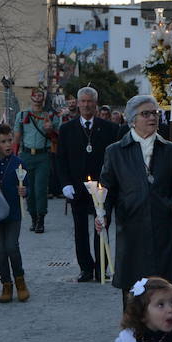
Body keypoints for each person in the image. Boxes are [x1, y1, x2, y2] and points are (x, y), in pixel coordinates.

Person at [99, 95, 172, 303]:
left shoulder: (170, 150)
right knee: (133, 289)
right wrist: (103, 214)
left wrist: (171, 205)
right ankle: (134, 332)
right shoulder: (115, 151)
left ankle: (163, 331)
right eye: (145, 114)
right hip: (131, 226)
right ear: (132, 119)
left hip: (162, 226)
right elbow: (106, 189)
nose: (152, 118)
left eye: (155, 113)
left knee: (162, 287)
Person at [57, 87, 117, 282]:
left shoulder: (110, 128)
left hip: (101, 188)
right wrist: (65, 183)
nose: (86, 105)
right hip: (77, 186)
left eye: (90, 101)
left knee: (102, 225)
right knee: (80, 228)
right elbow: (61, 159)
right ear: (78, 103)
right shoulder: (66, 129)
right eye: (82, 101)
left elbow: (113, 160)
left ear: (96, 103)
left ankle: (102, 267)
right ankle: (85, 268)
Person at [0, 124, 30, 303]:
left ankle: (20, 281)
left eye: (9, 140)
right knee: (0, 251)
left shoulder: (18, 163)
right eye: (3, 141)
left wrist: (25, 191)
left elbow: (26, 184)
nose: (7, 145)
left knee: (12, 247)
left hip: (13, 211)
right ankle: (6, 283)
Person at [13, 89, 61, 233]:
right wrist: (14, 158)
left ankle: (41, 219)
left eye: (41, 95)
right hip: (26, 155)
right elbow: (16, 137)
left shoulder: (51, 116)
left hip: (43, 156)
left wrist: (50, 130)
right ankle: (33, 217)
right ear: (31, 97)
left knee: (40, 189)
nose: (38, 98)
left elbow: (57, 138)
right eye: (36, 95)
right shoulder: (22, 115)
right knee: (29, 189)